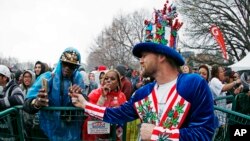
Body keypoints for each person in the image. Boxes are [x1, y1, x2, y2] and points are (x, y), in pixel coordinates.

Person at [70, 42, 216, 140]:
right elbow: (116, 114)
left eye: (144, 56)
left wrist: (156, 134)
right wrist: (85, 105)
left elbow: (204, 133)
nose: (140, 61)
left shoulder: (193, 84)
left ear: (161, 56)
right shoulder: (142, 93)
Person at [23, 47, 85, 141]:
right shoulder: (47, 77)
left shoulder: (78, 79)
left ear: (76, 67)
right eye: (65, 63)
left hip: (71, 130)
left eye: (71, 65)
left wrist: (81, 98)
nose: (67, 68)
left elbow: (88, 103)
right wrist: (36, 103)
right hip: (48, 130)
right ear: (60, 62)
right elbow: (26, 103)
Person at [82, 69, 127, 140]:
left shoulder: (122, 96)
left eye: (112, 79)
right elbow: (91, 113)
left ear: (118, 83)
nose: (108, 80)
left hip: (114, 134)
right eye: (106, 78)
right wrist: (102, 96)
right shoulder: (95, 93)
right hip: (96, 132)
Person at [0, 64, 24, 140]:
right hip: (6, 132)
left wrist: (1, 103)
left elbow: (19, 99)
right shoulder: (3, 88)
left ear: (5, 77)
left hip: (15, 133)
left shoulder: (14, 87)